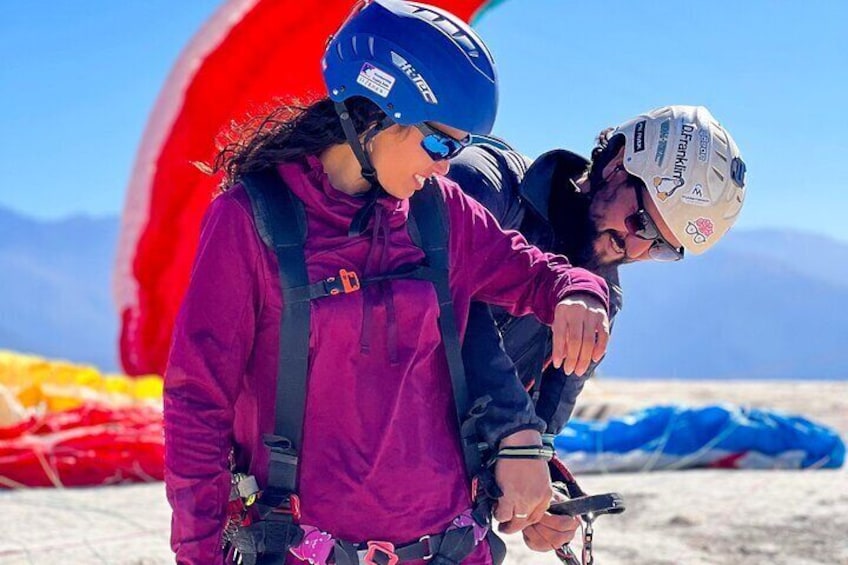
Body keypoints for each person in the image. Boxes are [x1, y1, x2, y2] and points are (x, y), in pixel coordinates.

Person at [163, 1, 613, 564]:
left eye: (460, 149)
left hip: (453, 547)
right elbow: (196, 401)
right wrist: (197, 555)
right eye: (441, 144)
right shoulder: (250, 221)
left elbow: (537, 274)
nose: (447, 167)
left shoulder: (439, 211)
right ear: (377, 112)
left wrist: (580, 293)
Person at [448, 105, 747, 551]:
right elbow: (439, 309)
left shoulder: (602, 301)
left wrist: (552, 498)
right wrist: (517, 437)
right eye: (641, 221)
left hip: (438, 513)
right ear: (615, 164)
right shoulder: (487, 187)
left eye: (663, 248)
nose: (637, 247)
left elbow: (541, 431)